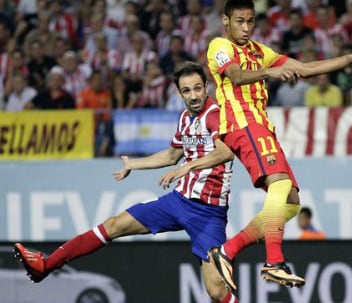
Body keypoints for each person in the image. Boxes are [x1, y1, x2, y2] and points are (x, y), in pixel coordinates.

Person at [14, 62, 239, 303]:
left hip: (209, 213)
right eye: (186, 91)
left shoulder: (216, 115)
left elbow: (225, 151)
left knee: (216, 291)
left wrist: (186, 167)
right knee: (112, 225)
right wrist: (135, 164)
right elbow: (172, 155)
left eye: (197, 88)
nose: (193, 96)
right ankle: (44, 265)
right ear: (178, 93)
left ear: (207, 87)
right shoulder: (185, 118)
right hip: (178, 201)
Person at [205, 0, 352, 291]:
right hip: (242, 124)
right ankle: (273, 261)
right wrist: (269, 73)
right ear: (226, 21)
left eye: (250, 22)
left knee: (291, 202)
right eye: (240, 22)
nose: (246, 28)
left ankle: (228, 250)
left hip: (260, 126)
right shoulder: (220, 46)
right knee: (279, 184)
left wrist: (349, 60)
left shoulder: (260, 51)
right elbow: (235, 76)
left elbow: (305, 69)